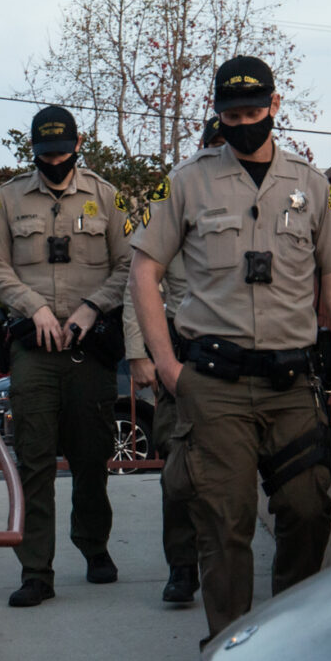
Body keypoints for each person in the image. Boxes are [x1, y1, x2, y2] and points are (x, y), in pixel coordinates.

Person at [129, 57, 331, 641]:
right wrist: (169, 366)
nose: (242, 123)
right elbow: (144, 272)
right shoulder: (187, 182)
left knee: (306, 508)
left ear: (274, 106)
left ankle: (285, 639)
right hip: (215, 384)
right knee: (225, 520)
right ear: (217, 114)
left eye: (252, 112)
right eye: (231, 115)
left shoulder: (311, 185)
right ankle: (231, 645)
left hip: (293, 384)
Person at [0, 105, 133, 608]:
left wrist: (92, 308)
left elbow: (130, 263)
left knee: (92, 458)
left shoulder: (107, 197)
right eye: (45, 154)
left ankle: (94, 547)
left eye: (62, 152)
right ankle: (36, 571)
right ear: (34, 152)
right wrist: (35, 307)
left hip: (89, 348)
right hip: (34, 349)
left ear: (78, 144)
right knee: (36, 460)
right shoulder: (6, 200)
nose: (54, 162)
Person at [123, 115, 223, 607]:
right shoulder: (173, 198)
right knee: (179, 472)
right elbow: (138, 286)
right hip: (180, 359)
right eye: (216, 146)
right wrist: (140, 354)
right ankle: (182, 569)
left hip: (239, 357)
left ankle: (221, 568)